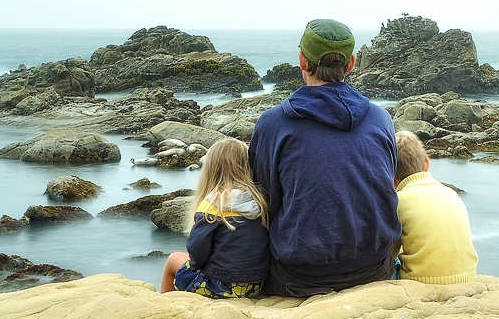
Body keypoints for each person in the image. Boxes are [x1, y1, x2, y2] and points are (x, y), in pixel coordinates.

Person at [249, 18, 401, 297]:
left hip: (301, 278)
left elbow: (263, 201)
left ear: (302, 61)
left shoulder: (274, 124)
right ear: (351, 63)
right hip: (375, 269)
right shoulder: (381, 120)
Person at [160, 138, 270, 298]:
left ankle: (164, 305)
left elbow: (197, 253)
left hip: (218, 286)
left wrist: (196, 266)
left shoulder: (212, 206)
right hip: (254, 285)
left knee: (173, 259)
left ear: (211, 170)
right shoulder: (260, 202)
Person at [391, 131, 478, 284]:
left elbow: (389, 252)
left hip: (420, 281)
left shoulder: (398, 201)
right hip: (468, 277)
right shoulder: (451, 193)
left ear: (389, 174)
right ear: (426, 163)